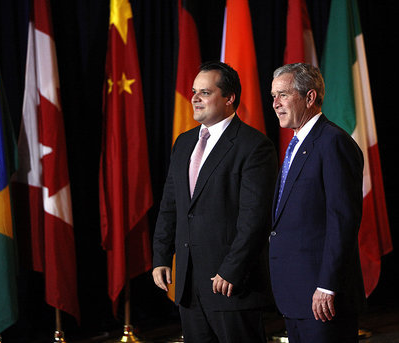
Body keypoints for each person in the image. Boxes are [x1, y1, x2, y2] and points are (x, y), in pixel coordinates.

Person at [152, 61, 278, 343]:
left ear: (229, 97)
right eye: (194, 91)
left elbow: (254, 219)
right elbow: (170, 204)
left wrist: (231, 270)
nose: (194, 98)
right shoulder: (184, 143)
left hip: (232, 286)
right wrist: (161, 255)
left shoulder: (254, 146)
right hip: (188, 286)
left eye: (205, 92)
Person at [269, 63, 366, 343]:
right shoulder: (298, 143)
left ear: (310, 97)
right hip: (296, 293)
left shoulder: (333, 142)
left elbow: (342, 219)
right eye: (273, 96)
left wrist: (327, 285)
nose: (275, 104)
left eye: (283, 95)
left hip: (322, 298)